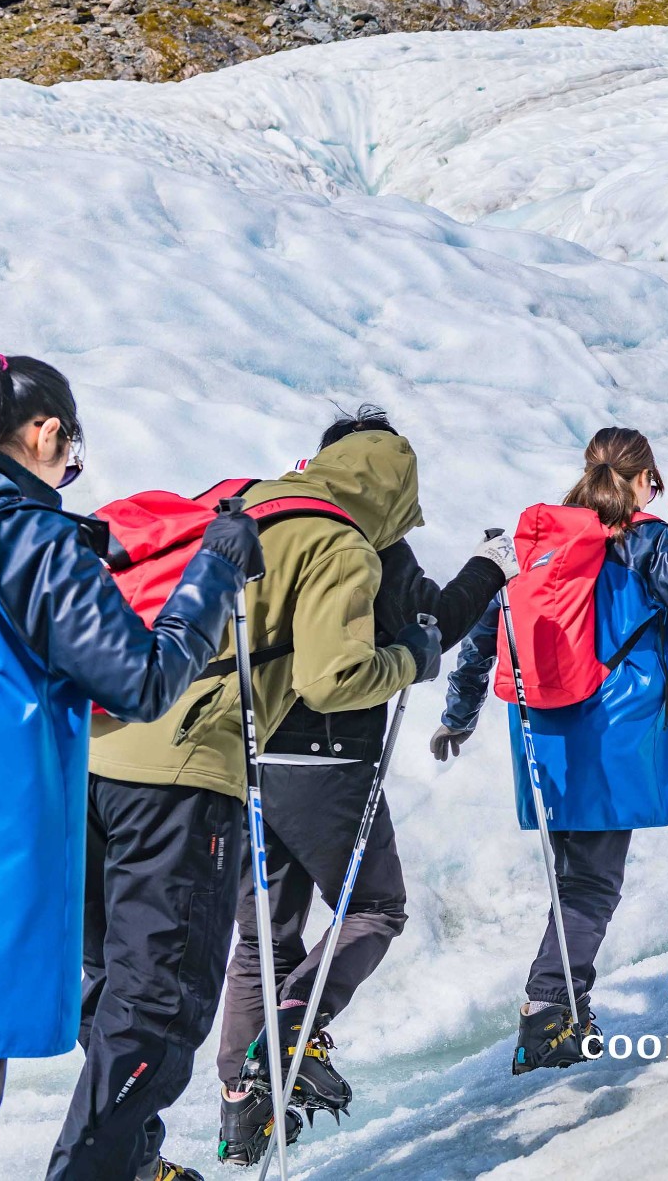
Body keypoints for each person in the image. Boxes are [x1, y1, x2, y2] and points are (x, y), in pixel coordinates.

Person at [54, 426, 441, 1181]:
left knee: (107, 983)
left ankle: (132, 1161)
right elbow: (334, 680)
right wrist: (411, 662)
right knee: (159, 1002)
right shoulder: (341, 544)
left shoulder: (235, 504)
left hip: (92, 753)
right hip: (184, 777)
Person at [0, 348, 258, 1181]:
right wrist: (212, 571)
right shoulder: (26, 535)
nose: (72, 468)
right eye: (72, 451)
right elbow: (142, 680)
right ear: (42, 433)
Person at [214, 408, 515, 1164]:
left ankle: (241, 1108)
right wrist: (490, 569)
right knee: (376, 908)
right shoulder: (365, 541)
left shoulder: (271, 516)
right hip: (330, 761)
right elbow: (430, 627)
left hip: (244, 756)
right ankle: (289, 1031)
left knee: (262, 938)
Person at [440, 427, 668, 1070]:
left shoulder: (541, 542)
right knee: (593, 884)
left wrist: (459, 716)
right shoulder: (645, 540)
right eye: (654, 485)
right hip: (615, 733)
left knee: (572, 875)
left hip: (546, 729)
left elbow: (484, 635)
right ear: (642, 481)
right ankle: (548, 1009)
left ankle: (567, 1007)